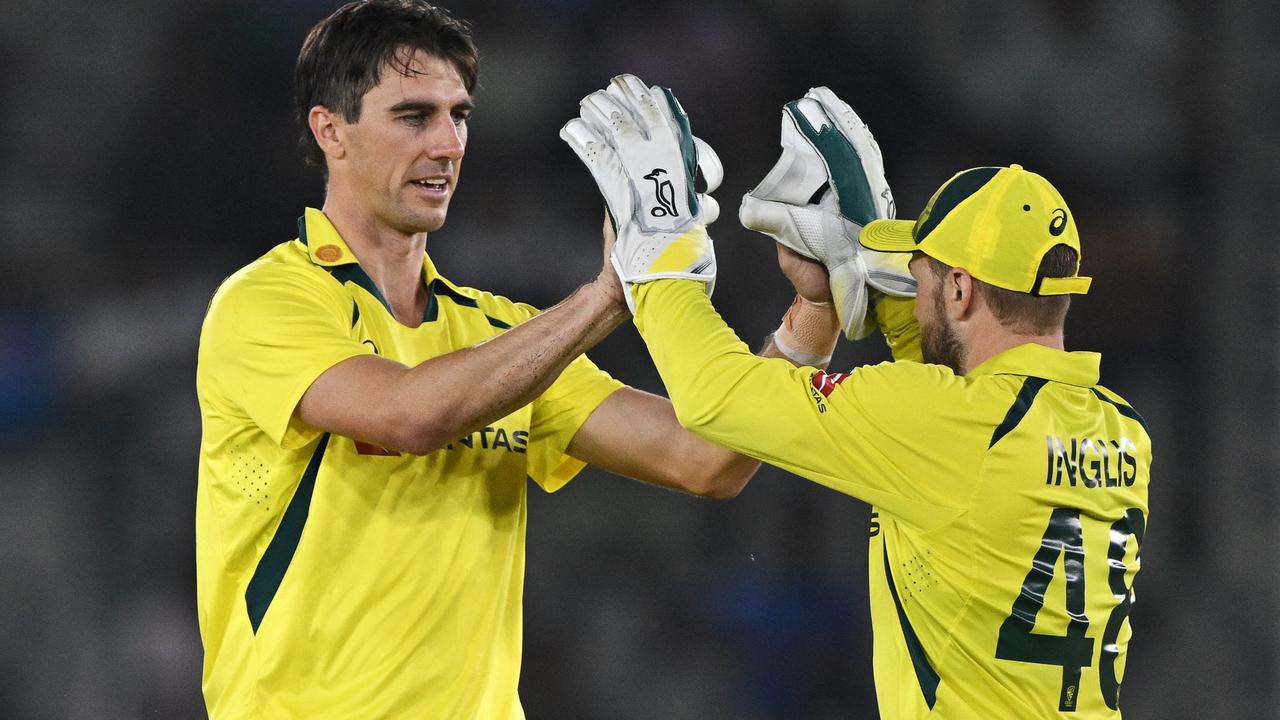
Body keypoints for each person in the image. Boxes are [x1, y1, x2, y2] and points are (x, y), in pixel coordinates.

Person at [193, 4, 773, 718]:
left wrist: (813, 310)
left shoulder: (503, 333)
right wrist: (608, 296)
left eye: (458, 115)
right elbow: (408, 416)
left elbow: (706, 461)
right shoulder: (266, 303)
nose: (447, 143)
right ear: (330, 131)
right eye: (414, 116)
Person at [564, 82, 1152, 718]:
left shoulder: (948, 425)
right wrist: (855, 277)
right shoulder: (1123, 431)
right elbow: (954, 405)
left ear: (959, 289)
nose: (911, 286)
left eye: (917, 274)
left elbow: (715, 396)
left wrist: (659, 251)